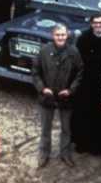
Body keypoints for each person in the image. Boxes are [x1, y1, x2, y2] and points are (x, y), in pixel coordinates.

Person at [32, 24, 84, 168]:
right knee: (45, 128)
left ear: (67, 35)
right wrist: (42, 89)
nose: (60, 37)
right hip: (47, 97)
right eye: (57, 35)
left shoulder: (74, 52)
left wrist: (71, 90)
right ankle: (44, 154)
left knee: (66, 128)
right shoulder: (44, 51)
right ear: (52, 35)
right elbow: (35, 72)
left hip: (66, 97)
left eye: (63, 35)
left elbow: (80, 73)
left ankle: (65, 153)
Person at [74, 13, 101, 155]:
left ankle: (100, 145)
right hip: (87, 83)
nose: (98, 25)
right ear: (91, 24)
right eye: (95, 23)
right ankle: (83, 143)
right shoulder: (84, 38)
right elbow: (78, 61)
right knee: (85, 113)